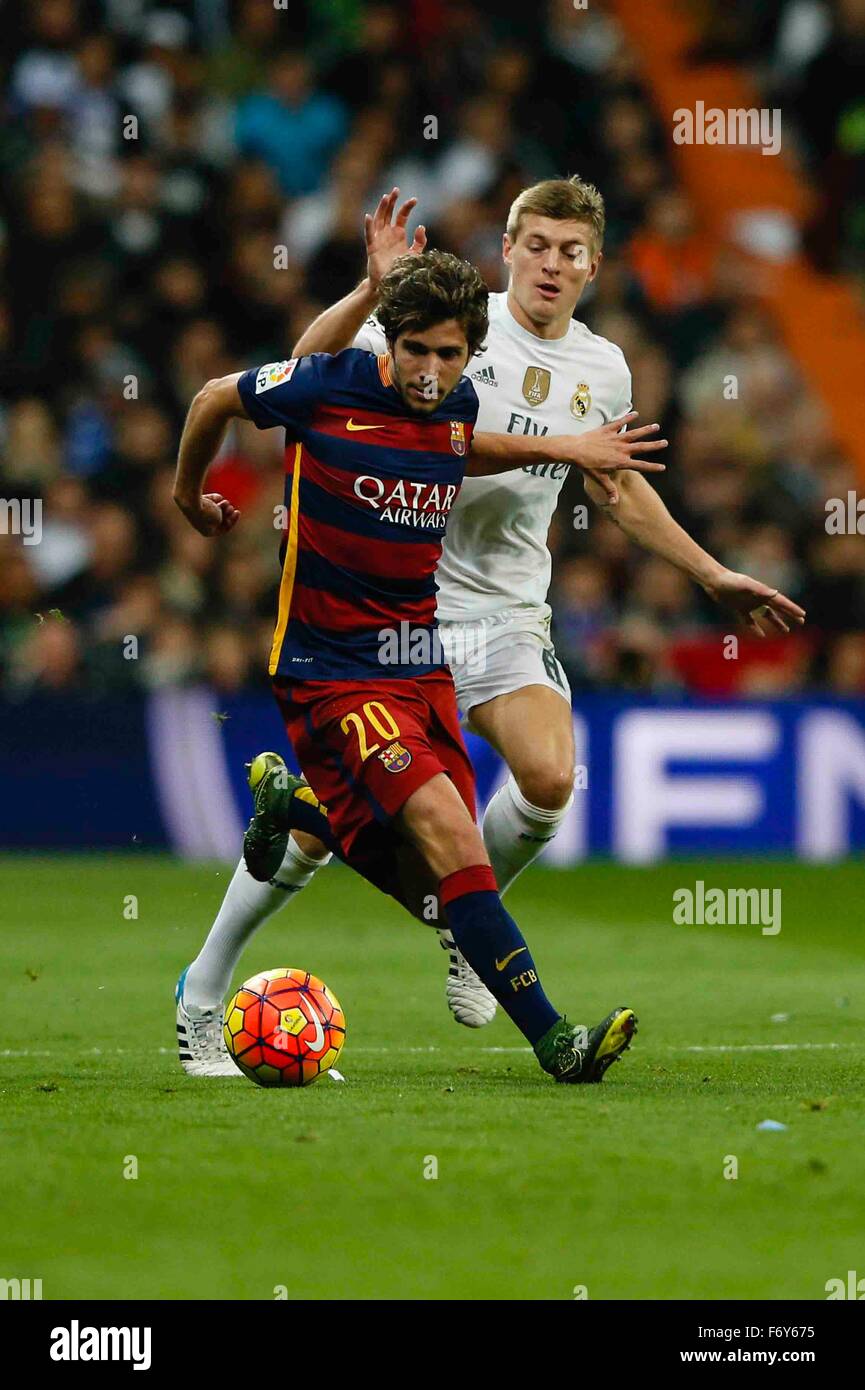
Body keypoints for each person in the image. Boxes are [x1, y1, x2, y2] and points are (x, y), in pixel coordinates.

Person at [187, 178, 805, 1035]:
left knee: (550, 778)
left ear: (595, 265)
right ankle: (206, 983)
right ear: (506, 249)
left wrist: (711, 573)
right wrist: (368, 288)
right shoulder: (446, 323)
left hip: (509, 611)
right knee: (319, 832)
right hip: (399, 610)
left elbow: (617, 487)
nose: (552, 264)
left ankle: (464, 929)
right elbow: (309, 373)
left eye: (571, 251)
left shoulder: (603, 366)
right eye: (537, 246)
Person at [173, 249, 650, 1081]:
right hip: (331, 665)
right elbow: (216, 395)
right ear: (385, 343)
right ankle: (556, 1043)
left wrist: (571, 450)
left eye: (449, 353)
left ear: (470, 356)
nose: (430, 373)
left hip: (415, 659)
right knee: (451, 833)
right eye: (416, 351)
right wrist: (189, 493)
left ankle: (301, 812)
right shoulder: (330, 386)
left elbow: (464, 444)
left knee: (436, 895)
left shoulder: (456, 404)